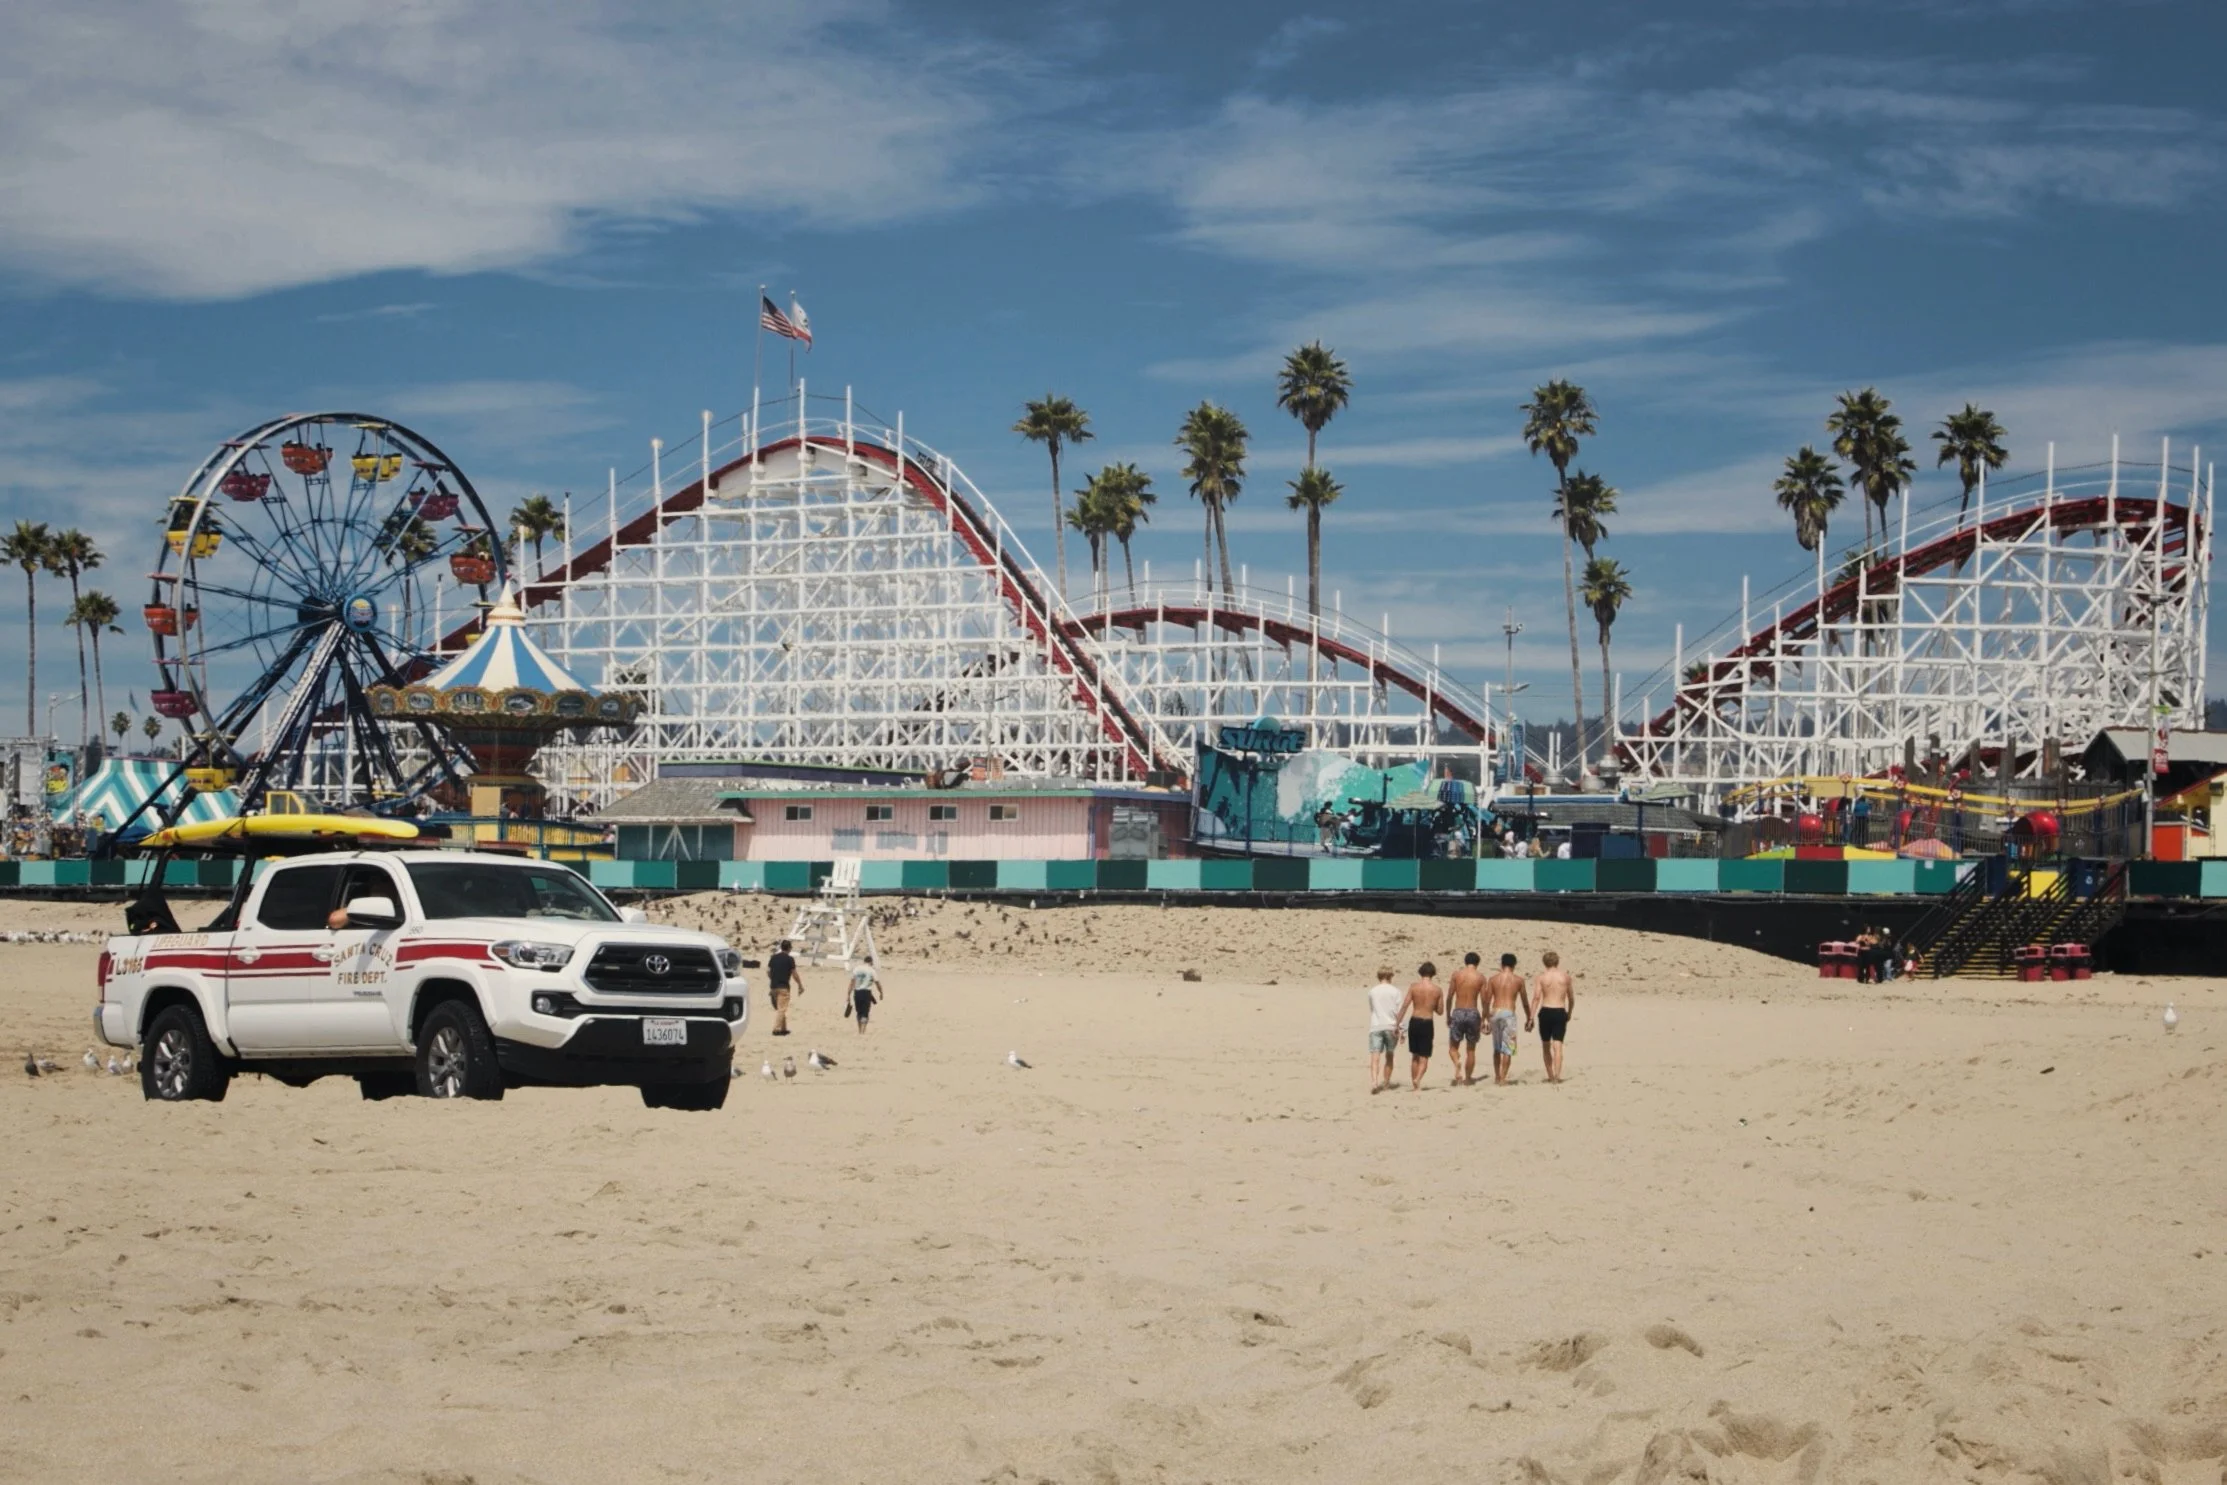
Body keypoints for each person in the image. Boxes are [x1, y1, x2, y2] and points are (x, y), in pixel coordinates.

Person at [1484, 953, 1532, 1085]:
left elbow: (1487, 1001)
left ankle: (1497, 1076)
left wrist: (1485, 1019)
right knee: (1508, 1048)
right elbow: (1525, 1002)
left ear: (1501, 964)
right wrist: (1529, 1017)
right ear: (1514, 965)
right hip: (1509, 1012)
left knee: (1497, 1048)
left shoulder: (1493, 979)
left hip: (1495, 1011)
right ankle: (1503, 1078)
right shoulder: (1518, 980)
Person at [1398, 962, 1445, 1092]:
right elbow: (1440, 1011)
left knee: (1415, 1055)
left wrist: (1397, 1023)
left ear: (1421, 972)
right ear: (1433, 973)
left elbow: (1404, 1006)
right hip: (1427, 1022)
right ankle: (1418, 1079)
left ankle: (1415, 1085)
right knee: (1424, 1056)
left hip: (1414, 1021)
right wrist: (1432, 1004)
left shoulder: (1414, 987)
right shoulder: (1437, 990)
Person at [1445, 952, 1487, 1086]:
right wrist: (1485, 1018)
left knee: (1453, 1047)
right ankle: (1468, 1079)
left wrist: (1448, 1015)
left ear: (1465, 962)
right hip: (1473, 1012)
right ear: (1477, 963)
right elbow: (1485, 1001)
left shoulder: (1456, 975)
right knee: (1471, 1050)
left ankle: (1457, 1062)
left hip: (1458, 1011)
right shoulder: (1480, 977)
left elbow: (1450, 996)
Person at [1534, 950, 1575, 1083]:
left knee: (1546, 1045)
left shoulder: (1541, 977)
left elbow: (1536, 997)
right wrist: (1569, 1012)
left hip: (1545, 1011)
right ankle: (1557, 1076)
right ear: (1557, 962)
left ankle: (1550, 1075)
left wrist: (1530, 1016)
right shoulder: (1565, 977)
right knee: (1558, 1045)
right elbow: (1571, 998)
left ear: (1544, 963)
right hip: (1559, 1011)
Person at [1365, 965, 1402, 1093]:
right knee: (1389, 1055)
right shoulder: (1395, 991)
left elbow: (1372, 1009)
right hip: (1391, 1026)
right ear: (1390, 976)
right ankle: (1386, 1082)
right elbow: (1398, 1012)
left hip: (1376, 1025)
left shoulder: (1372, 991)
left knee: (1375, 1055)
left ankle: (1374, 1081)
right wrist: (1401, 1028)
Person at [767, 939, 802, 1036]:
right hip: (783, 987)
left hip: (773, 987)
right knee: (781, 1009)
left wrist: (774, 978)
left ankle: (783, 1028)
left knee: (780, 1008)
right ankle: (776, 1029)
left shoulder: (773, 957)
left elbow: (768, 971)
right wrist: (800, 985)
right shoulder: (789, 959)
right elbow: (794, 974)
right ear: (789, 948)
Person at [846, 959, 881, 1033]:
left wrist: (848, 995)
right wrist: (881, 992)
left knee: (859, 1012)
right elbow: (877, 983)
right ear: (871, 962)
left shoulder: (856, 969)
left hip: (857, 992)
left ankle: (859, 1030)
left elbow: (851, 983)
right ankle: (863, 1031)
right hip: (866, 993)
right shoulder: (871, 970)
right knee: (865, 1012)